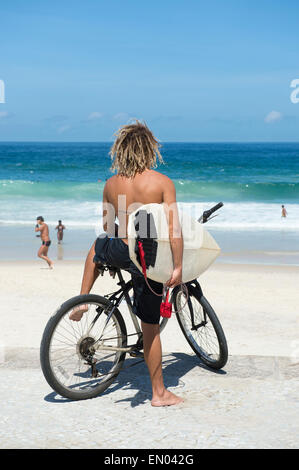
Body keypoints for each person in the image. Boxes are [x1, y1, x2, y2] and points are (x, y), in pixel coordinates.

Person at [69, 121, 184, 407]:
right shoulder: (160, 182)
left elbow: (108, 227)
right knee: (150, 327)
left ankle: (82, 301)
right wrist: (178, 267)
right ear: (149, 149)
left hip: (121, 248)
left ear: (120, 150)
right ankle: (159, 393)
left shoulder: (111, 184)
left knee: (97, 246)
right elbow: (174, 231)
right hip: (147, 255)